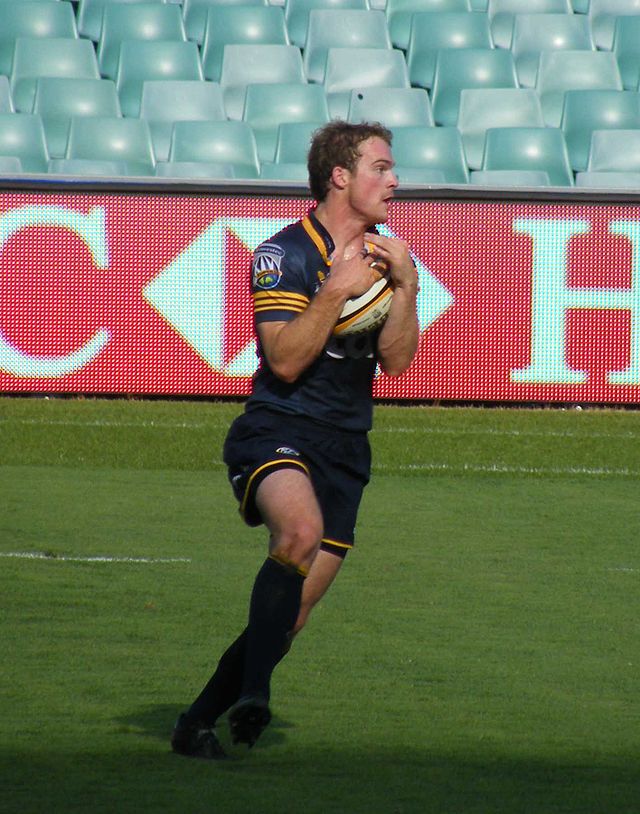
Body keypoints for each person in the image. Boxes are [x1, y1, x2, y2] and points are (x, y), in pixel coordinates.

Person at [171, 120, 420, 759]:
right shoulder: (284, 253)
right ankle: (255, 692)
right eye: (382, 168)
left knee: (293, 617)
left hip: (346, 447)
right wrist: (336, 290)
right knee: (299, 534)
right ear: (341, 175)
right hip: (277, 426)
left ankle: (196, 723)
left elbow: (397, 362)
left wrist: (407, 289)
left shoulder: (388, 256)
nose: (395, 182)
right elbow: (282, 361)